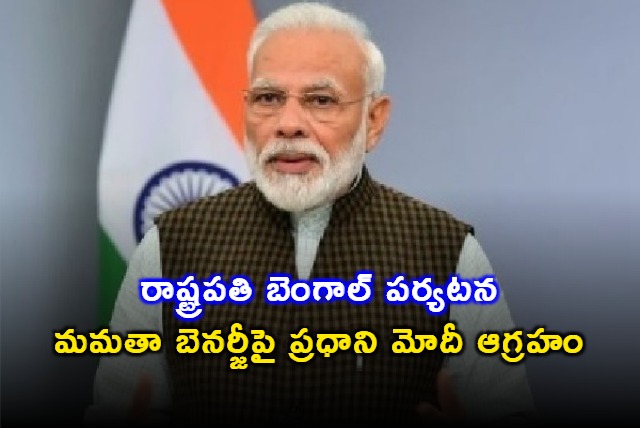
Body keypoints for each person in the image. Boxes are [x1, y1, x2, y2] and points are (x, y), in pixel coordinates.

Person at [85, 2, 539, 426]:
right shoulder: (172, 245)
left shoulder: (446, 250)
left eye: (321, 100)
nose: (288, 124)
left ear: (374, 120)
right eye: (268, 98)